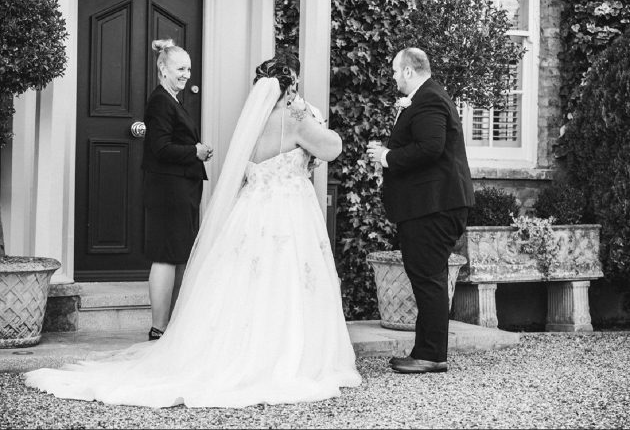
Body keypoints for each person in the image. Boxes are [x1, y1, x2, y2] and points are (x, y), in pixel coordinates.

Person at [25, 58, 361, 408]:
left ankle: (232, 348)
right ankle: (284, 353)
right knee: (287, 279)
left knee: (247, 282)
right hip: (286, 213)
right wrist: (316, 120)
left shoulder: (254, 120)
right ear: (290, 86)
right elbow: (331, 148)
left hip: (252, 211)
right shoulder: (295, 117)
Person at [367, 48, 474, 374]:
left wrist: (386, 156)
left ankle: (430, 355)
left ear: (410, 71)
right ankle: (427, 351)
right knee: (428, 277)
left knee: (428, 279)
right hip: (431, 204)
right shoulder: (428, 96)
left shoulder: (428, 99)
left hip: (434, 206)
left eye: (397, 71)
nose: (394, 77)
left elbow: (430, 147)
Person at [141, 39, 212, 342]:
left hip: (181, 187)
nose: (186, 74)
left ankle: (172, 324)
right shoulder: (160, 100)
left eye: (189, 69)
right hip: (168, 188)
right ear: (163, 68)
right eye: (181, 68)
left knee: (180, 254)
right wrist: (194, 151)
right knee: (166, 255)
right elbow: (160, 147)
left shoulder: (172, 99)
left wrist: (195, 153)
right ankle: (159, 328)